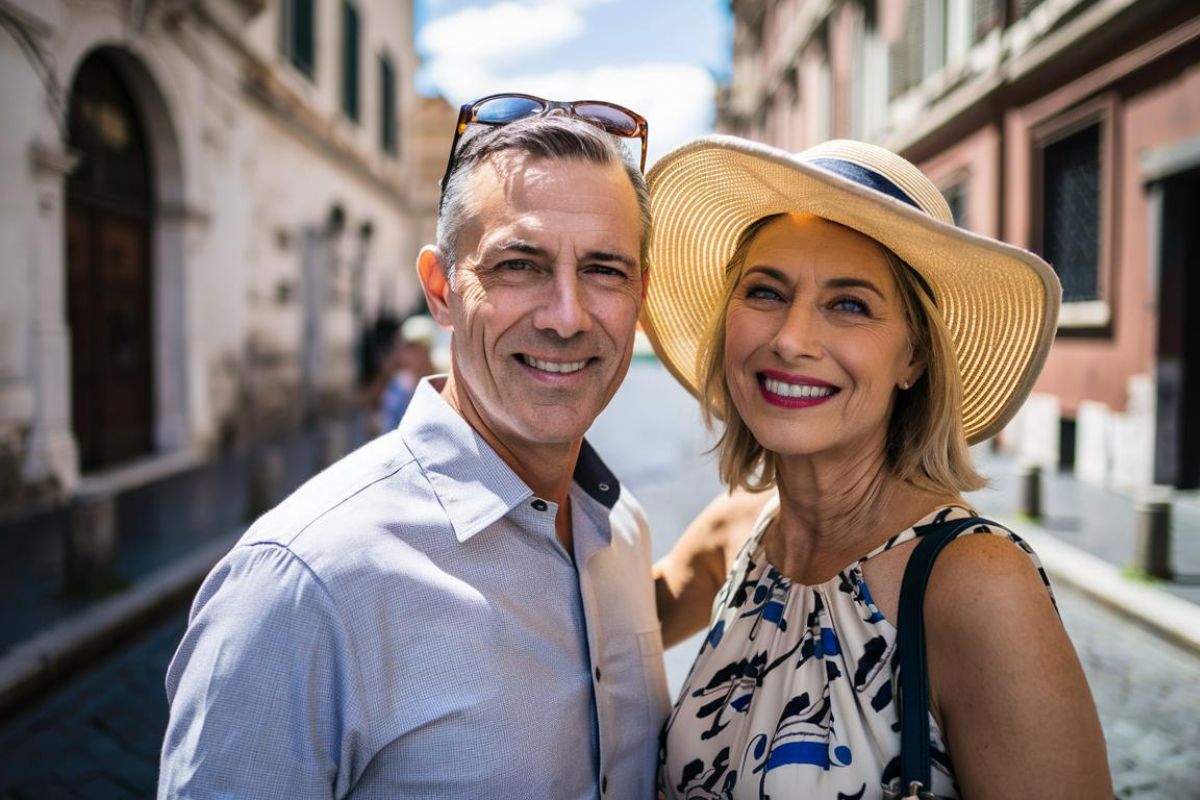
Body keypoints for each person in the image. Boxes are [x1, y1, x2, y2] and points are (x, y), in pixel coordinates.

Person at [159, 100, 671, 799]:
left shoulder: (623, 533)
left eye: (605, 270)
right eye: (520, 264)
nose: (567, 316)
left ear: (639, 295)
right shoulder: (303, 587)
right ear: (441, 290)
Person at [646, 137, 1112, 798]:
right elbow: (578, 625)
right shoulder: (737, 536)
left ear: (913, 360)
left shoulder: (976, 586)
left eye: (849, 304)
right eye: (765, 291)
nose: (790, 338)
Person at [377, 314, 438, 432]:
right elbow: (389, 429)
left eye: (415, 347)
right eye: (407, 348)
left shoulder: (445, 380)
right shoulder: (398, 387)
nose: (409, 354)